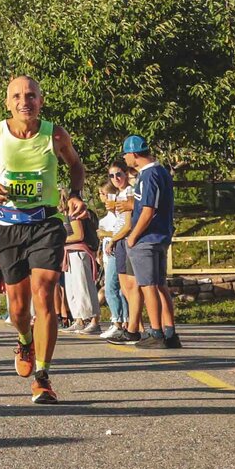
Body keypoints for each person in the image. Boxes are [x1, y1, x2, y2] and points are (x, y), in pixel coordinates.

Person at [0, 76, 84, 404]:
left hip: (46, 223)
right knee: (19, 308)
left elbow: (75, 165)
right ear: (7, 103)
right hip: (9, 228)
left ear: (41, 100)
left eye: (31, 95)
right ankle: (24, 338)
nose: (25, 101)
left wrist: (76, 194)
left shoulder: (56, 134)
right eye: (17, 96)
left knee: (44, 294)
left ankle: (43, 377)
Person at [119, 136, 179, 349]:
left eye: (126, 154)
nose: (125, 158)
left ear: (134, 154)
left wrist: (133, 235)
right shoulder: (161, 171)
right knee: (161, 284)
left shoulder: (148, 175)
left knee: (148, 286)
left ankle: (156, 332)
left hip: (147, 238)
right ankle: (170, 331)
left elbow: (148, 210)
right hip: (161, 235)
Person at [97, 162, 135, 337]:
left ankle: (125, 324)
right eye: (111, 176)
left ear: (126, 173)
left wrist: (112, 239)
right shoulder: (120, 194)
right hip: (118, 241)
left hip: (124, 240)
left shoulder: (128, 192)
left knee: (120, 288)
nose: (115, 179)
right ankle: (128, 324)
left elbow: (127, 225)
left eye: (118, 174)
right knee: (123, 288)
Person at [61, 191, 100, 336]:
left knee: (83, 287)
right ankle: (79, 320)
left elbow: (78, 235)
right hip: (69, 253)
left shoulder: (74, 213)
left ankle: (94, 321)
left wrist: (60, 239)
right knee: (72, 289)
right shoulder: (65, 215)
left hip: (79, 252)